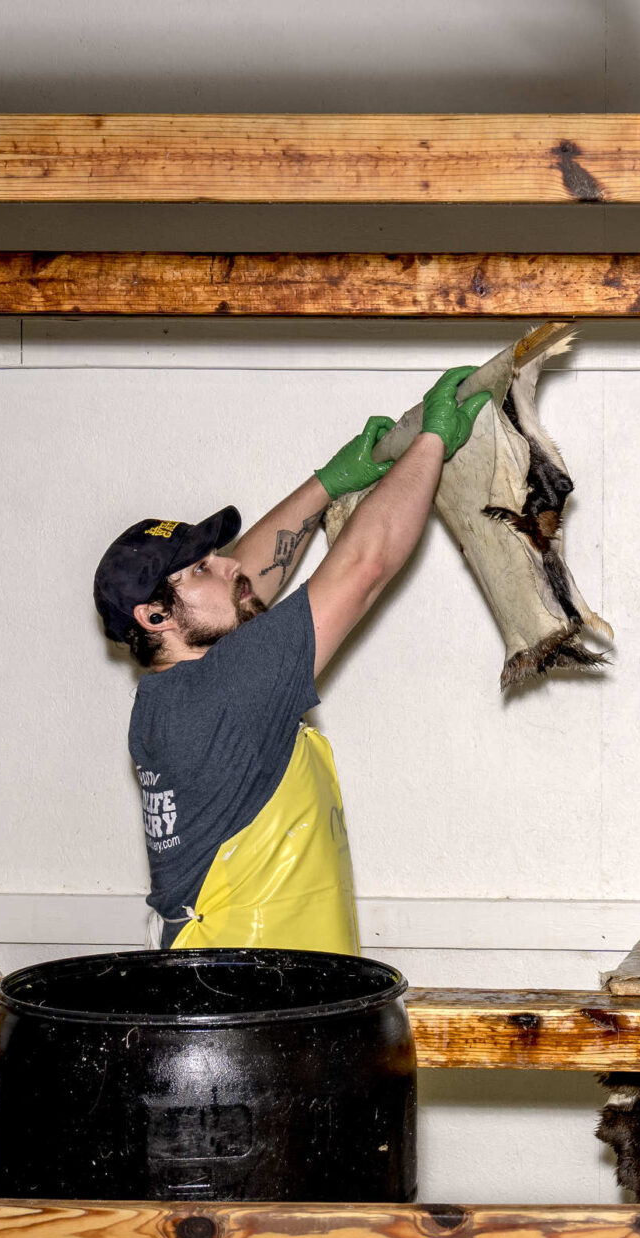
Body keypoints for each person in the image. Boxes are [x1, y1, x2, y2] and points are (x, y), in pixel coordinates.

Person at [91, 364, 493, 953]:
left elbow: (239, 587)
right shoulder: (226, 692)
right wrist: (432, 441)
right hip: (254, 999)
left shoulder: (172, 693)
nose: (233, 567)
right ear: (154, 618)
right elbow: (364, 567)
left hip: (238, 982)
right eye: (202, 567)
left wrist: (330, 482)